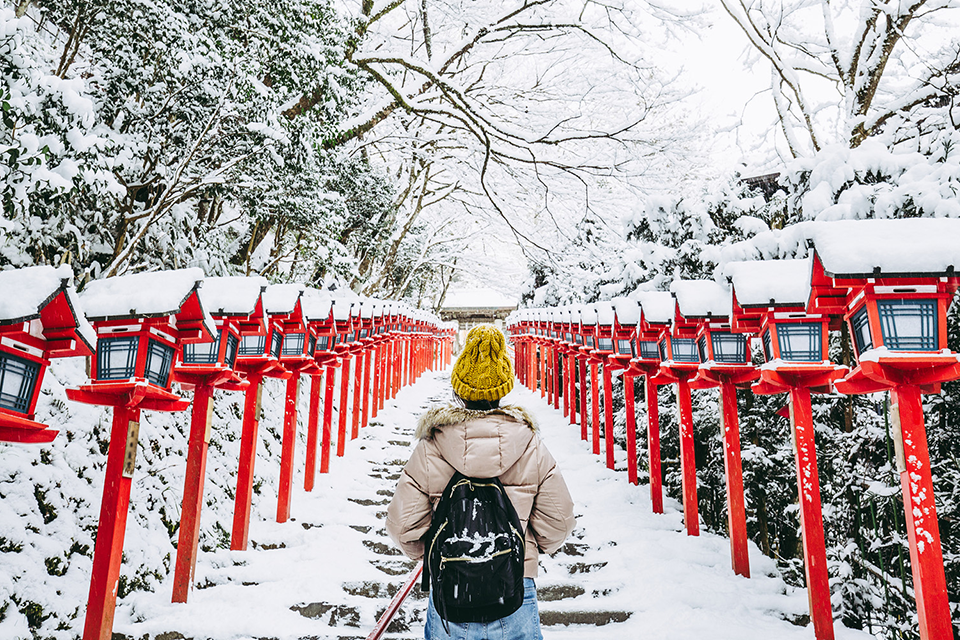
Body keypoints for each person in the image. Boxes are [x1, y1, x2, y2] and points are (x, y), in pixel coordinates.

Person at [386, 324, 576, 640]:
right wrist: (525, 548)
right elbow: (559, 521)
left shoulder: (432, 446)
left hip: (451, 592)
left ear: (458, 390)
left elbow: (402, 525)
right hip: (514, 588)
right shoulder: (530, 445)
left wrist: (440, 554)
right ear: (503, 390)